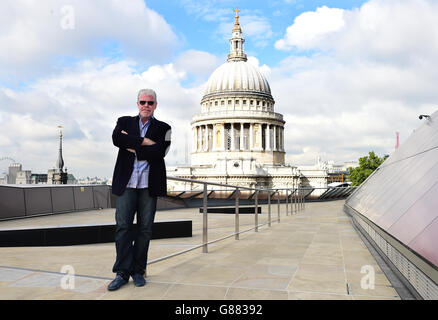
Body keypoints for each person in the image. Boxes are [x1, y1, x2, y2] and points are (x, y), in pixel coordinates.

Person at [107, 88, 171, 291]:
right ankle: (122, 272)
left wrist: (132, 144)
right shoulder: (124, 121)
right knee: (123, 227)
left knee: (144, 230)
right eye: (143, 102)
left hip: (148, 185)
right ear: (137, 104)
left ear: (155, 105)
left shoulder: (164, 127)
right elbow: (117, 139)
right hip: (126, 183)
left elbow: (160, 152)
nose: (146, 106)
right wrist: (145, 142)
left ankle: (138, 270)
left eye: (150, 103)